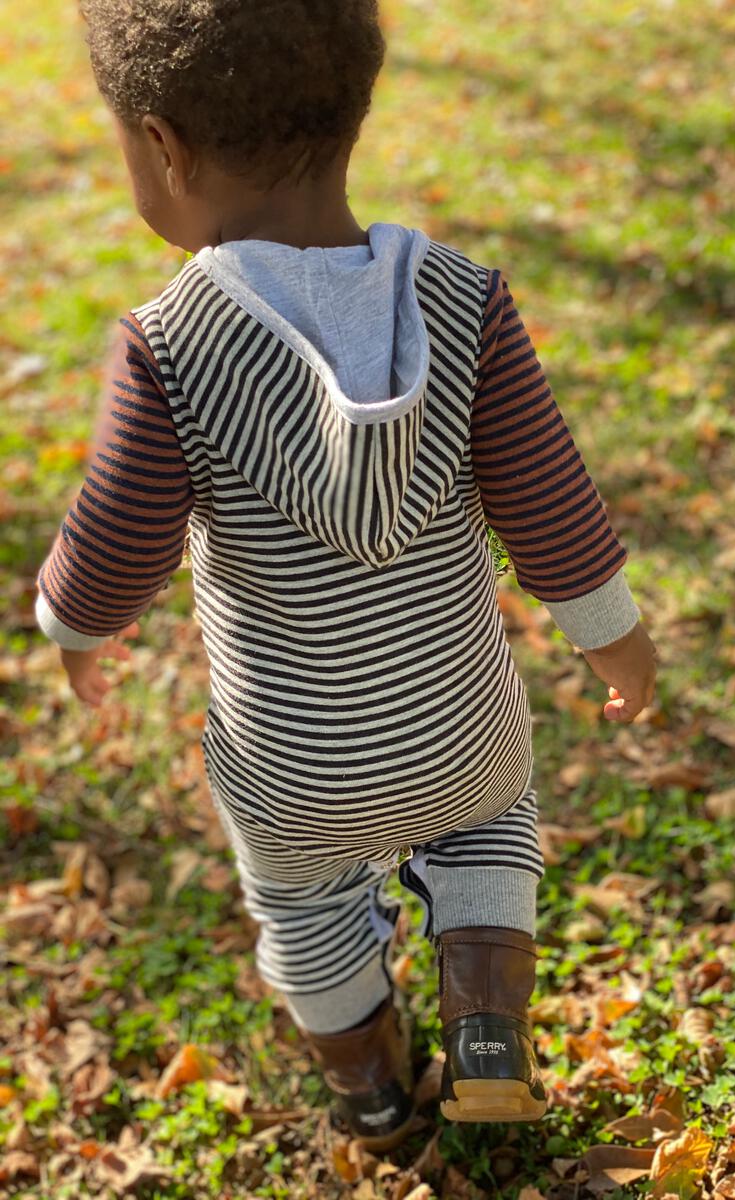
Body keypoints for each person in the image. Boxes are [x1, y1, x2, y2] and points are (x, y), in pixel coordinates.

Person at [34, 0, 659, 1150]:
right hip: (457, 725)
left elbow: (119, 539)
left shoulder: (169, 345)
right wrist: (615, 636)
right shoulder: (466, 300)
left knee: (302, 902)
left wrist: (73, 628)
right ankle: (485, 1034)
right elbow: (550, 503)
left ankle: (369, 1083)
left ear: (162, 147)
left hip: (293, 760)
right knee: (490, 825)